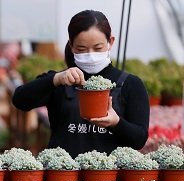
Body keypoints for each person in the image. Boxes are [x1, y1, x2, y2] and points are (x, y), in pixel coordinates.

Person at [12, 10, 149, 157]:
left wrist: (117, 123)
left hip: (109, 176)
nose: (90, 55)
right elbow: (20, 100)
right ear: (71, 46)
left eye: (98, 48)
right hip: (64, 175)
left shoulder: (130, 84)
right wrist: (55, 79)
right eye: (82, 49)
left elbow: (139, 139)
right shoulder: (60, 81)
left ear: (111, 42)